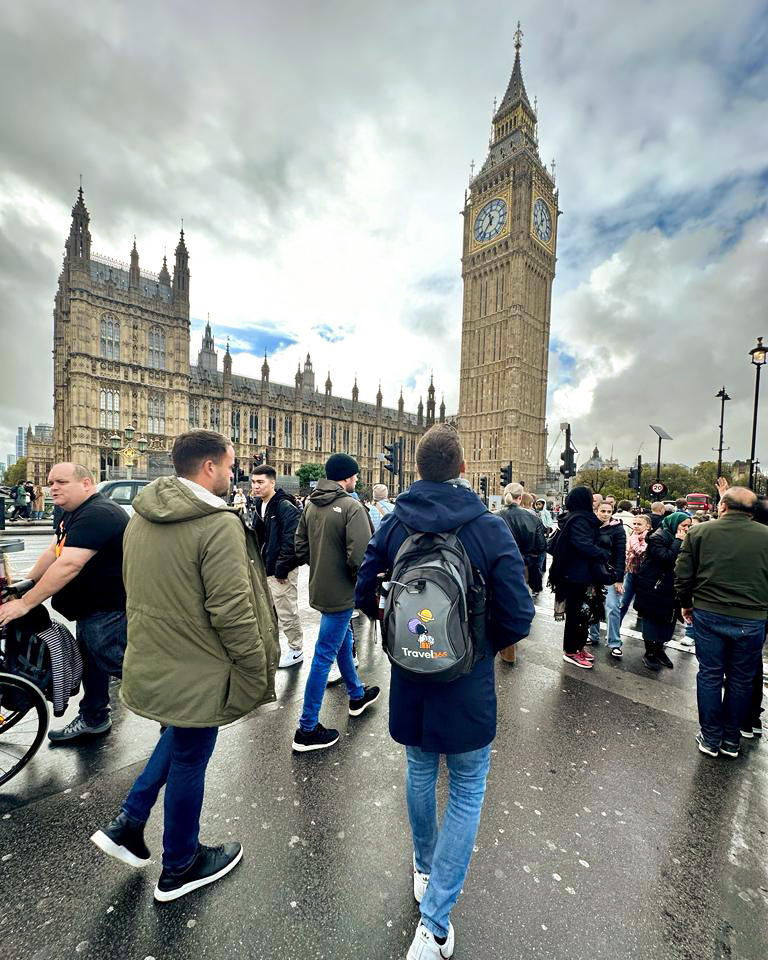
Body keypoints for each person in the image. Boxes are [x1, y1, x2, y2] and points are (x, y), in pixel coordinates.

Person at [355, 424, 534, 960]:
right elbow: (520, 614)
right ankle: (434, 926)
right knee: (467, 787)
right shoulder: (487, 527)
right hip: (467, 684)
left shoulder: (394, 523)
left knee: (419, 771)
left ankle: (423, 869)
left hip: (411, 677)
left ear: (415, 469)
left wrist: (412, 642)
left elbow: (366, 593)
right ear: (461, 470)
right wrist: (474, 649)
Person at [90, 430, 279, 901]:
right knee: (192, 755)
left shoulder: (140, 517)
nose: (235, 473)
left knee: (179, 734)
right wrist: (257, 669)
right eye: (231, 465)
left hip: (157, 660)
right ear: (210, 467)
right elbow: (232, 611)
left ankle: (129, 823)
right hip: (200, 667)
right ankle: (180, 865)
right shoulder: (217, 525)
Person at [0, 462, 129, 741]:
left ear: (85, 484)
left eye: (61, 482)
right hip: (88, 606)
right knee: (91, 663)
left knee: (118, 663)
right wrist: (25, 585)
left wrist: (26, 603)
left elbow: (69, 564)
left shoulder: (99, 513)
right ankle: (94, 717)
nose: (53, 487)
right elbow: (56, 548)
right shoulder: (69, 511)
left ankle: (175, 715)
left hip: (108, 609)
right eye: (50, 482)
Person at [292, 453, 378, 752]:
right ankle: (306, 728)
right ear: (346, 477)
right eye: (354, 476)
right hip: (342, 592)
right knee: (323, 655)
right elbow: (361, 557)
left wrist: (320, 566)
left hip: (320, 587)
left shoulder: (311, 505)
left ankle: (356, 695)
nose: (356, 480)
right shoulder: (352, 507)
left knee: (343, 639)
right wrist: (357, 583)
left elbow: (300, 546)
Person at [675, 487, 768, 758]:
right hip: (752, 617)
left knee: (711, 674)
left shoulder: (700, 532)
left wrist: (685, 603)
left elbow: (683, 574)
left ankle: (711, 736)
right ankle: (731, 740)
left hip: (709, 611)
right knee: (742, 678)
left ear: (723, 507)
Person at [548, 486, 610, 670]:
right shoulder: (579, 520)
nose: (593, 501)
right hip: (575, 576)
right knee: (576, 615)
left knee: (583, 614)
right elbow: (583, 545)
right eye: (590, 498)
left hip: (580, 574)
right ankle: (571, 651)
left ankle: (578, 647)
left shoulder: (576, 518)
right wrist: (604, 554)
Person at [251, 465, 304, 669]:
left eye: (260, 482)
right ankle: (273, 648)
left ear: (272, 483)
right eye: (254, 482)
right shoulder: (259, 504)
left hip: (281, 570)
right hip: (265, 567)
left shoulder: (283, 506)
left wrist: (282, 567)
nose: (256, 486)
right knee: (266, 611)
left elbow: (292, 538)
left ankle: (296, 649)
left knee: (286, 611)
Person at [634, 512, 691, 671]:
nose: (686, 529)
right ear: (674, 524)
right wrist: (678, 541)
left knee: (668, 619)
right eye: (683, 525)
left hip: (672, 586)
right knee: (652, 618)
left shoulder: (682, 537)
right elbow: (666, 558)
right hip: (654, 584)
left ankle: (659, 650)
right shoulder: (657, 537)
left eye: (688, 526)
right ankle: (650, 653)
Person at [587, 500, 626, 657]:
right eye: (602, 511)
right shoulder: (590, 526)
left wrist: (619, 579)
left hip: (610, 573)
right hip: (592, 573)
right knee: (592, 605)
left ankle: (615, 642)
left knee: (612, 608)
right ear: (596, 511)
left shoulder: (617, 529)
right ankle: (593, 635)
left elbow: (620, 554)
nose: (605, 514)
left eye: (609, 511)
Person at [500, 482, 547, 603]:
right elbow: (541, 546)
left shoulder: (493, 516)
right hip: (524, 566)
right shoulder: (534, 518)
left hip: (500, 566)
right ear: (520, 497)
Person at [618, 514, 651, 625]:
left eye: (639, 524)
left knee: (645, 605)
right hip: (631, 573)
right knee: (623, 603)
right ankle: (614, 631)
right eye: (634, 524)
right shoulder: (634, 535)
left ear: (647, 526)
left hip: (644, 575)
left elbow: (641, 551)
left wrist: (634, 540)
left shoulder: (649, 537)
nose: (636, 526)